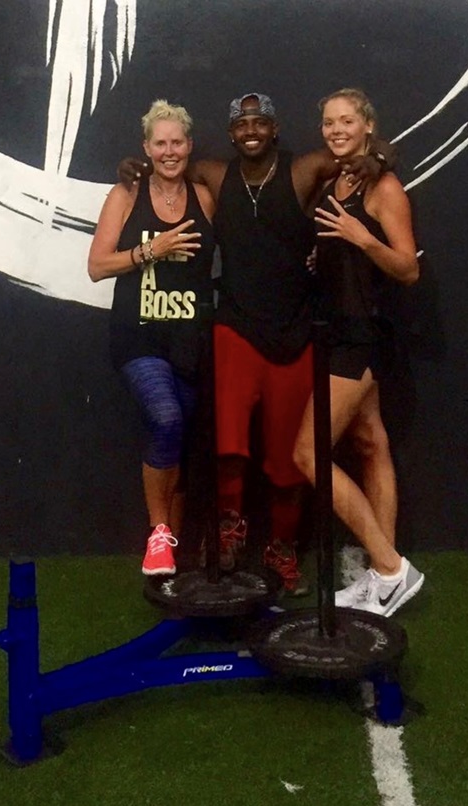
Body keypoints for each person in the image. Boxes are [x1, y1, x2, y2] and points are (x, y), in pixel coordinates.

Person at [117, 92, 396, 596]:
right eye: (241, 122)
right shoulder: (214, 174)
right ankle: (227, 532)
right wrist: (134, 170)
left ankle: (283, 549)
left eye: (260, 122)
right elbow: (166, 167)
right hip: (236, 328)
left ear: (274, 128)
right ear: (230, 134)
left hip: (294, 330)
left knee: (290, 455)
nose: (250, 129)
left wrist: (380, 157)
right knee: (228, 439)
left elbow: (358, 156)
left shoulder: (303, 168)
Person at [293, 88, 425, 617]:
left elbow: (408, 268)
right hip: (339, 330)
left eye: (346, 121)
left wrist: (359, 237)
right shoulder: (336, 178)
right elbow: (340, 249)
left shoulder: (384, 186)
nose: (336, 130)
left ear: (368, 125)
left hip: (361, 337)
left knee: (307, 454)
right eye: (328, 122)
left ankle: (392, 568)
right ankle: (381, 579)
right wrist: (322, 255)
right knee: (371, 444)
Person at [88, 99, 216, 576]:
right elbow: (98, 266)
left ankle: (172, 553)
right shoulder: (126, 195)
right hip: (138, 338)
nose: (168, 151)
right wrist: (150, 250)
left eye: (176, 142)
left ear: (189, 145)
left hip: (189, 341)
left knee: (180, 436)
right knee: (165, 420)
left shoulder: (204, 197)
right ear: (146, 147)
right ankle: (158, 533)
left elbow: (248, 242)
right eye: (159, 143)